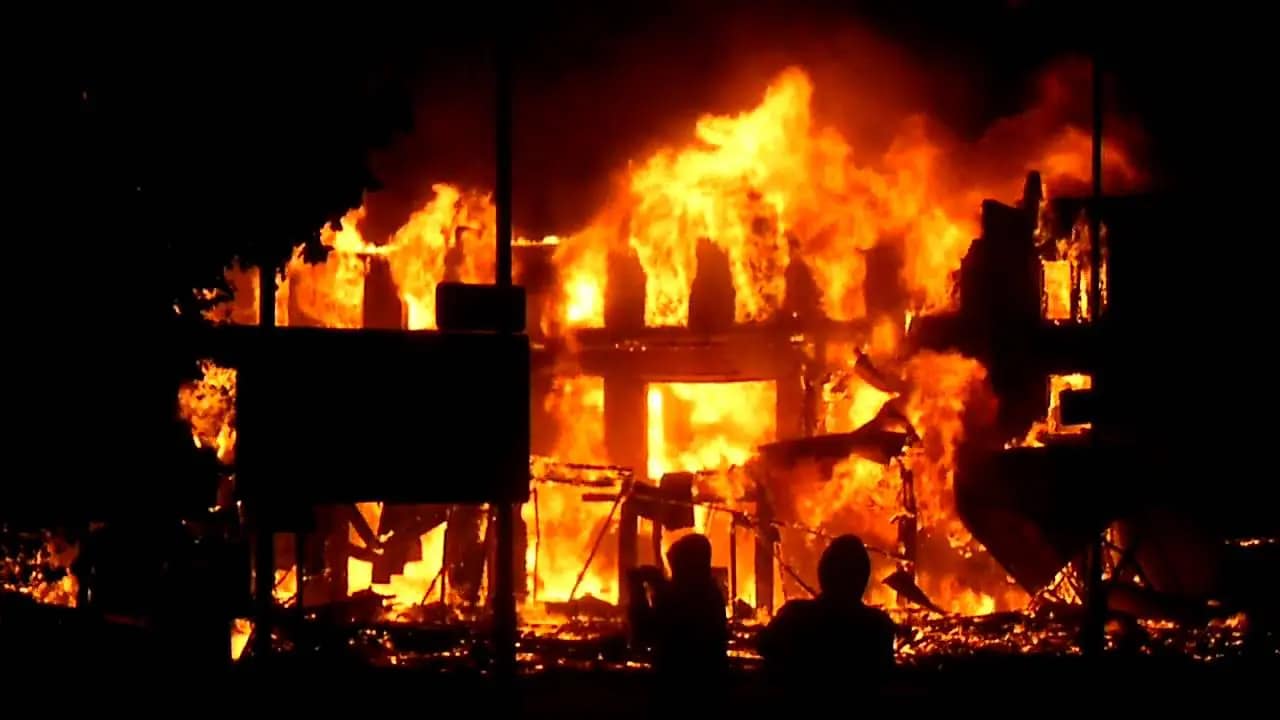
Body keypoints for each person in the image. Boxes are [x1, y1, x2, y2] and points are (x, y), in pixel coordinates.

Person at [759, 534, 895, 684]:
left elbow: (764, 645)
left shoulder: (795, 616)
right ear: (863, 577)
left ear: (823, 572)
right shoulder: (879, 626)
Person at [630, 533, 729, 679]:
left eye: (676, 567)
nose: (673, 575)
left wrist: (638, 591)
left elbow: (645, 633)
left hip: (679, 677)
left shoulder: (692, 597)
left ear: (688, 566)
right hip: (708, 677)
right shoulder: (709, 593)